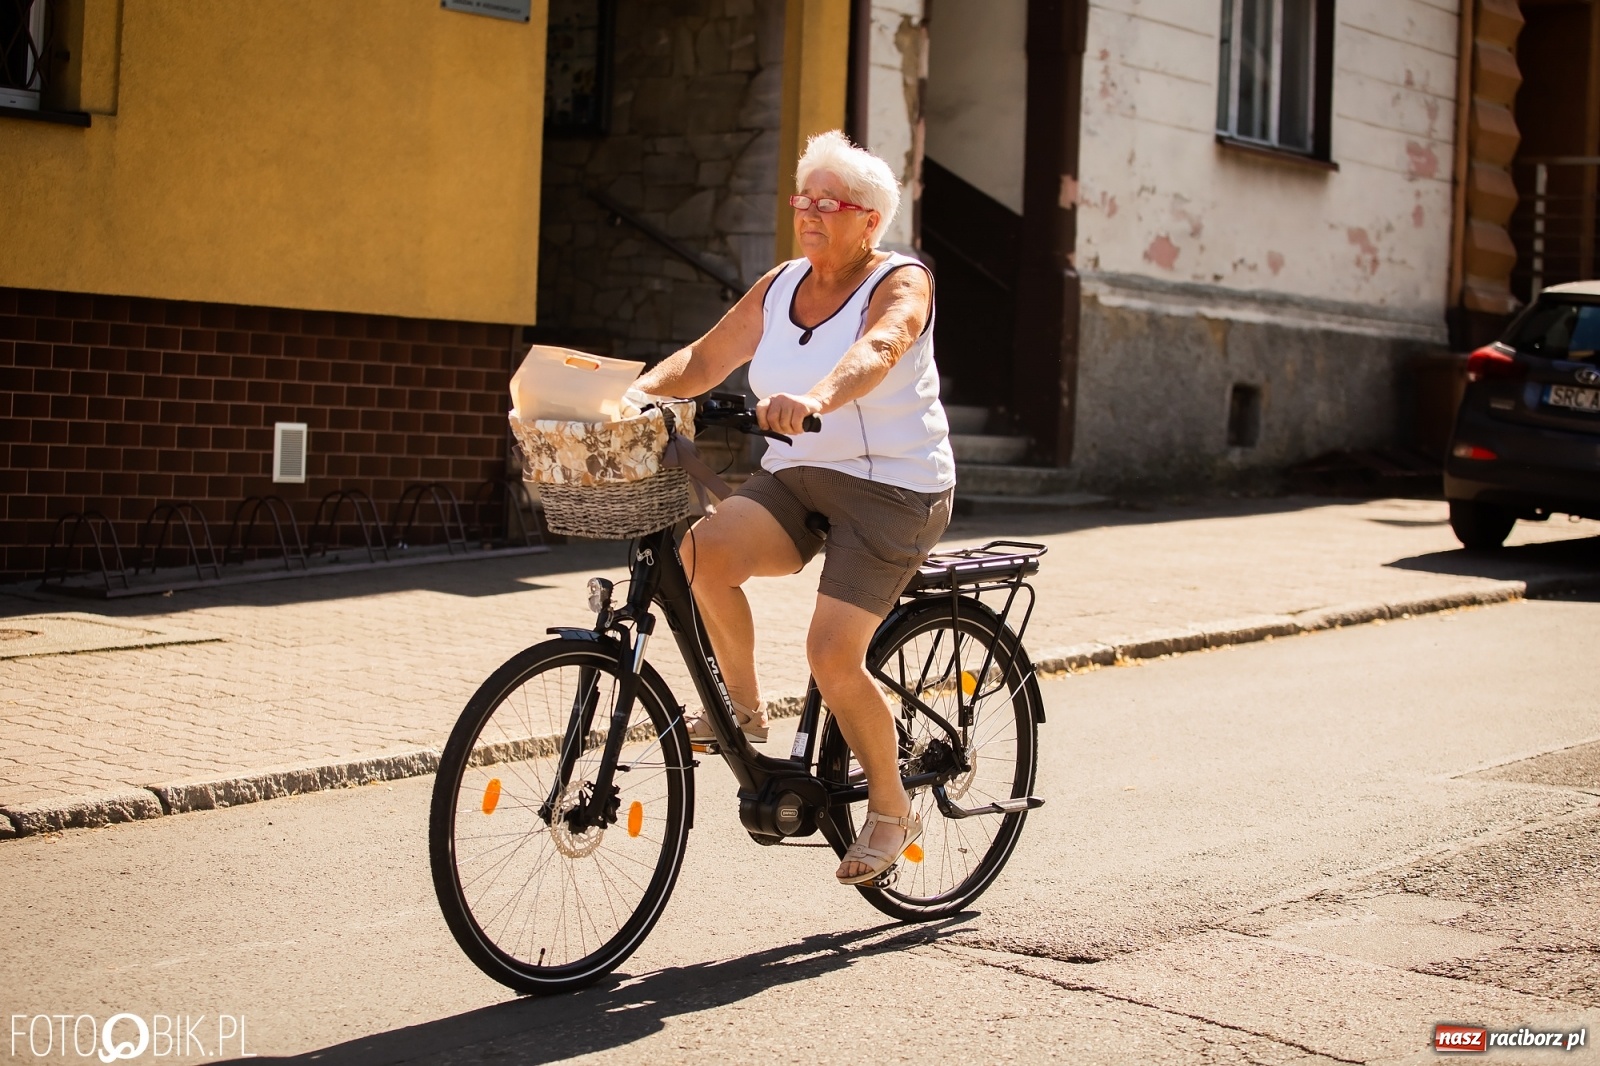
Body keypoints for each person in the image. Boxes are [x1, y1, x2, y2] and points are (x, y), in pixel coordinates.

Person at [633, 130, 955, 885]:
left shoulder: (902, 281)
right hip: (800, 474)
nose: (809, 215)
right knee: (702, 553)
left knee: (831, 654)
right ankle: (741, 710)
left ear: (870, 220)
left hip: (893, 488)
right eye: (801, 201)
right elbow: (706, 359)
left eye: (828, 204)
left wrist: (814, 398)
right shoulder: (782, 284)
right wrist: (631, 395)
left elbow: (879, 348)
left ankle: (888, 807)